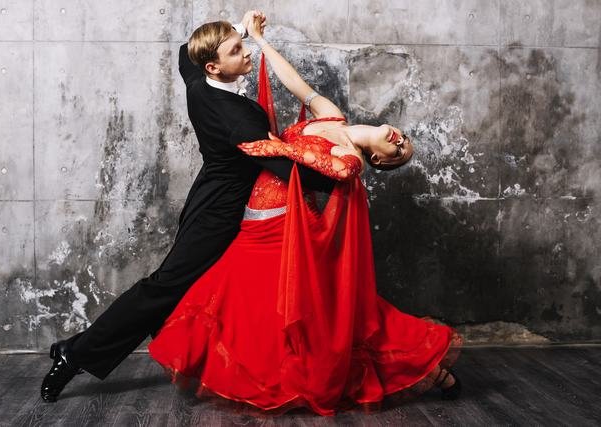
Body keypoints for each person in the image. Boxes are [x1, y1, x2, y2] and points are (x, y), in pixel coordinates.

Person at [147, 16, 462, 416]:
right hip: (254, 220)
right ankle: (424, 372)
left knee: (306, 315)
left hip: (284, 229)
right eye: (405, 139)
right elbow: (295, 82)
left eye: (398, 154)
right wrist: (259, 40)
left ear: (380, 160)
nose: (400, 142)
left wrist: (267, 143)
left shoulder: (351, 162)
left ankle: (420, 367)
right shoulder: (331, 115)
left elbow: (301, 160)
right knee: (252, 307)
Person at [40, 10, 341, 403]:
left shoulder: (198, 83)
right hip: (220, 214)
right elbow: (284, 168)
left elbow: (186, 52)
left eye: (242, 46)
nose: (247, 53)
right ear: (214, 66)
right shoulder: (237, 117)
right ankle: (75, 354)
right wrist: (340, 175)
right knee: (164, 289)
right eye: (237, 51)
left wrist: (238, 27)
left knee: (202, 292)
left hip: (214, 201)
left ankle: (218, 363)